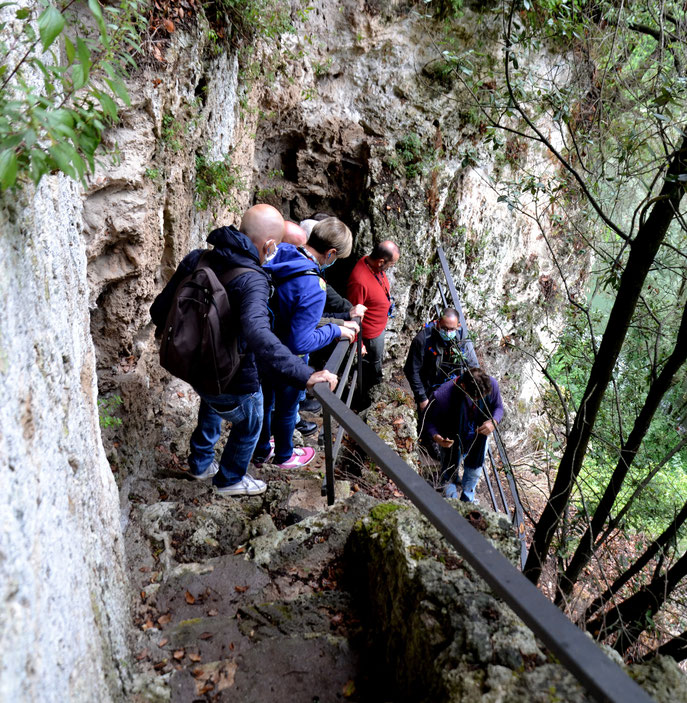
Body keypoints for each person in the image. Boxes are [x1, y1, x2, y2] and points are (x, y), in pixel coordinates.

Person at [150, 204, 337, 496]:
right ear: (271, 244)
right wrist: (306, 375)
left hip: (189, 363)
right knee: (251, 421)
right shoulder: (253, 280)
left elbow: (158, 309)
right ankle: (230, 480)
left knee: (210, 403)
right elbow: (259, 335)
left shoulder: (198, 258)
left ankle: (200, 463)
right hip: (230, 372)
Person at [252, 218, 358, 469]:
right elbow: (301, 341)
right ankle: (285, 455)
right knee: (287, 409)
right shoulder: (314, 286)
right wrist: (334, 330)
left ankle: (261, 450)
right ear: (330, 253)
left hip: (263, 344)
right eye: (338, 258)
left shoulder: (284, 252)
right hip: (288, 357)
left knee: (265, 403)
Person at [404, 308, 478, 455]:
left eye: (451, 329)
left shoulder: (462, 338)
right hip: (429, 385)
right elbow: (411, 370)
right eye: (443, 328)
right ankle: (429, 440)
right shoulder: (423, 339)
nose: (447, 331)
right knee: (428, 414)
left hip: (453, 382)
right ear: (437, 323)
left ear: (458, 327)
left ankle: (450, 440)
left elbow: (473, 366)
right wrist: (421, 398)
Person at [423, 368, 504, 503]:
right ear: (463, 386)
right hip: (451, 439)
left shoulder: (491, 385)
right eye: (476, 397)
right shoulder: (442, 396)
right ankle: (451, 501)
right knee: (449, 470)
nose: (479, 399)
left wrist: (494, 422)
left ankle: (467, 498)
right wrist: (437, 438)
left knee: (474, 471)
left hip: (479, 438)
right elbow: (428, 421)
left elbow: (498, 407)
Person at [346, 240, 400, 401]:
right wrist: (358, 342)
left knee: (375, 361)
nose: (391, 267)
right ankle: (369, 395)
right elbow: (353, 312)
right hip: (370, 334)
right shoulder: (359, 280)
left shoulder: (373, 266)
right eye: (391, 264)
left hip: (378, 326)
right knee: (373, 364)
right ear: (381, 262)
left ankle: (372, 388)